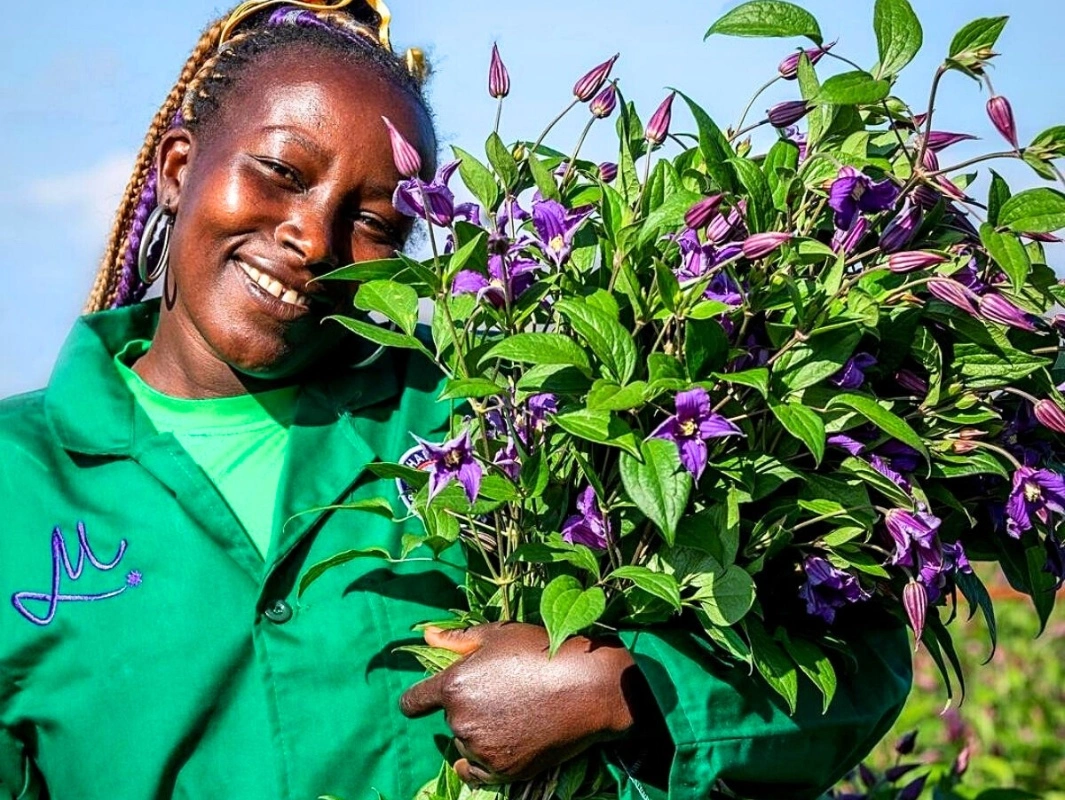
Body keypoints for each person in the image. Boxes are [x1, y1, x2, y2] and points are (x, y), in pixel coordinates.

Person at [0, 2, 912, 798]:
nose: (312, 237)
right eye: (282, 171)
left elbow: (856, 669)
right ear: (176, 167)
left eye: (375, 222)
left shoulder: (497, 420)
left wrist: (626, 694)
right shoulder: (16, 480)